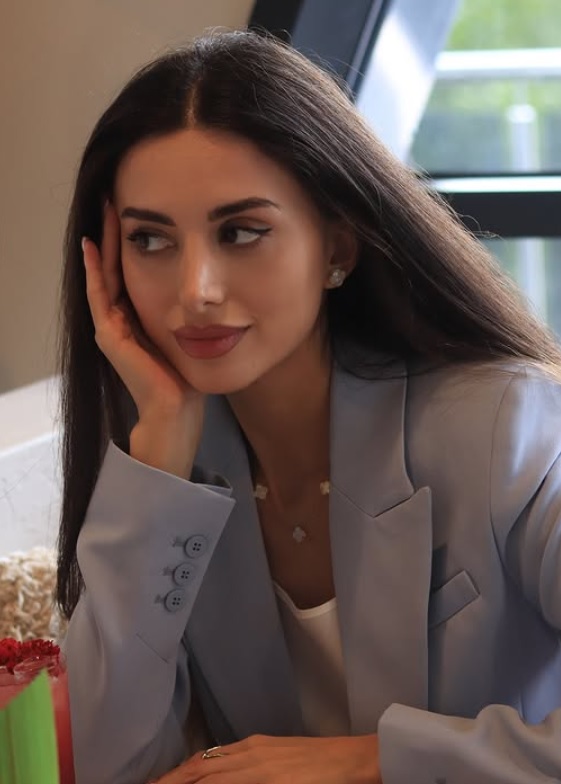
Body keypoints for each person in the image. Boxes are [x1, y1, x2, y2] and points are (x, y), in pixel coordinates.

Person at [55, 27, 561, 784]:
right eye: (151, 241)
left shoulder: (502, 424)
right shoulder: (161, 469)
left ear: (337, 246)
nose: (196, 290)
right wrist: (157, 462)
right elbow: (103, 763)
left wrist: (376, 760)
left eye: (240, 232)